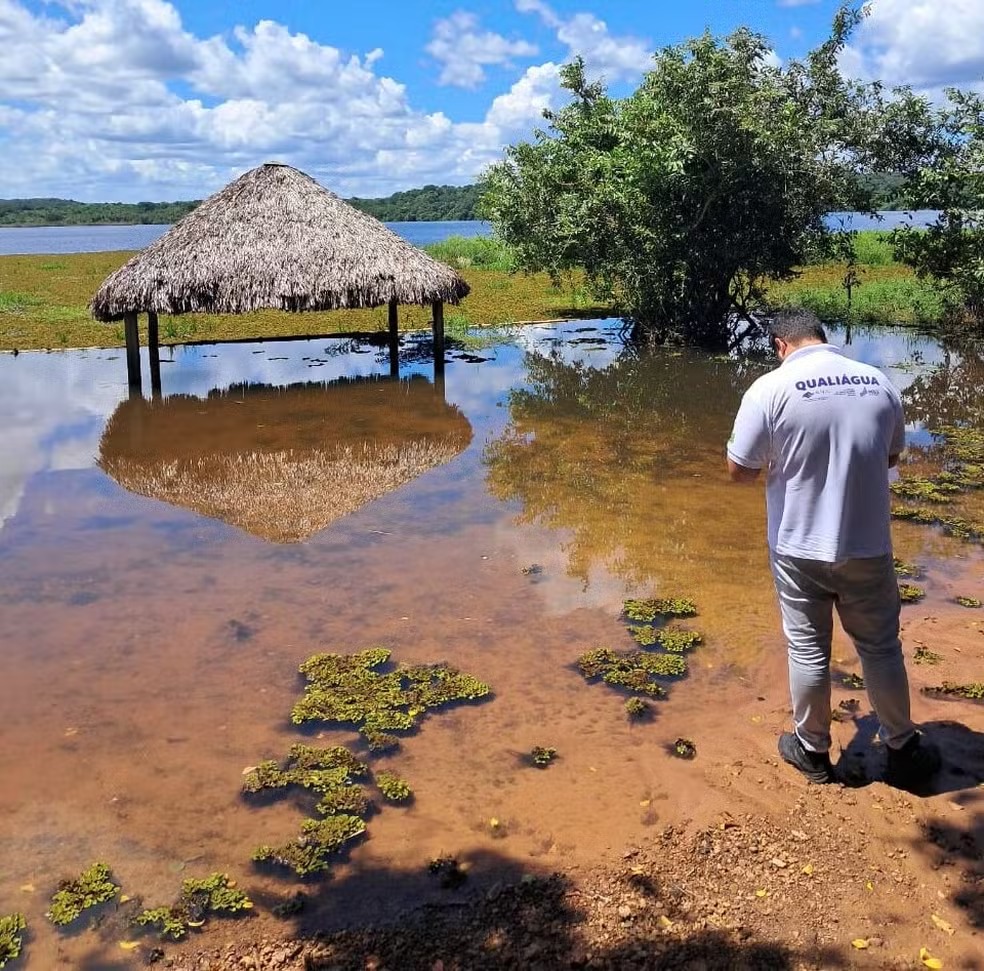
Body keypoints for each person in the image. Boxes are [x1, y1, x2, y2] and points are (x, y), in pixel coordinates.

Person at [726, 309, 941, 787]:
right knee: (882, 647)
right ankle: (904, 747)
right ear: (822, 337)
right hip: (867, 545)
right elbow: (890, 455)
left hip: (798, 546)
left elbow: (739, 470)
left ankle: (813, 752)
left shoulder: (769, 388)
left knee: (807, 649)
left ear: (781, 345)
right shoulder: (877, 382)